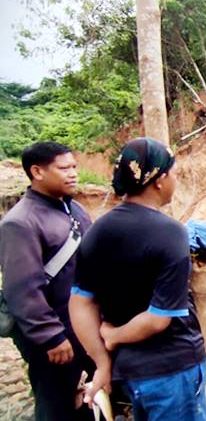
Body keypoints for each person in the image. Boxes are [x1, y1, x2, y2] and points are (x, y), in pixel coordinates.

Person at [70, 138, 206, 421]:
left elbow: (80, 303)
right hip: (172, 368)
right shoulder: (171, 233)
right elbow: (158, 318)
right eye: (175, 174)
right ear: (159, 180)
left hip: (130, 370)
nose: (175, 182)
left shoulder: (98, 230)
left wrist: (101, 361)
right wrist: (112, 336)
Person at [0, 142, 94, 421]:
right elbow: (22, 289)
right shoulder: (20, 222)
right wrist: (50, 336)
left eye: (74, 166)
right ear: (37, 172)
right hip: (55, 333)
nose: (73, 173)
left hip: (82, 325)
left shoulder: (74, 209)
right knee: (54, 401)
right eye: (64, 168)